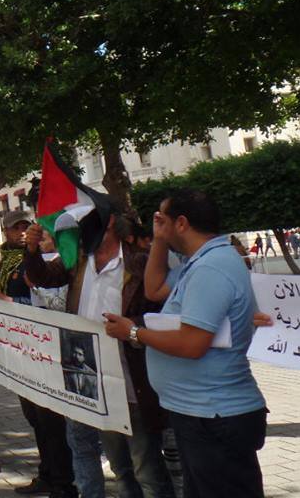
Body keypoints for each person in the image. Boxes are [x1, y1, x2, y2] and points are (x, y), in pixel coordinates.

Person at [104, 190, 267, 498]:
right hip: (199, 413)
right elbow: (153, 289)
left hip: (215, 416)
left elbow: (193, 344)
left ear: (181, 223)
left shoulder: (211, 267)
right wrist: (161, 241)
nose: (157, 227)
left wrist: (134, 333)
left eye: (161, 220)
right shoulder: (199, 262)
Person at [25, 204, 175, 498]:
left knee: (147, 468)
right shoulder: (78, 262)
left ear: (108, 224)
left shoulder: (139, 264)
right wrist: (31, 250)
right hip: (94, 382)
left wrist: (132, 327)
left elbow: (167, 312)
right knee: (121, 468)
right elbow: (43, 276)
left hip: (133, 381)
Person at [0, 210, 76, 498]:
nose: (23, 232)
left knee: (50, 420)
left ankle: (62, 479)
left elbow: (49, 305)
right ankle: (47, 473)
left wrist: (9, 301)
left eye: (29, 227)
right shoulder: (9, 261)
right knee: (35, 416)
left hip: (46, 350)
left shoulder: (58, 265)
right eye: (17, 228)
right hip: (21, 348)